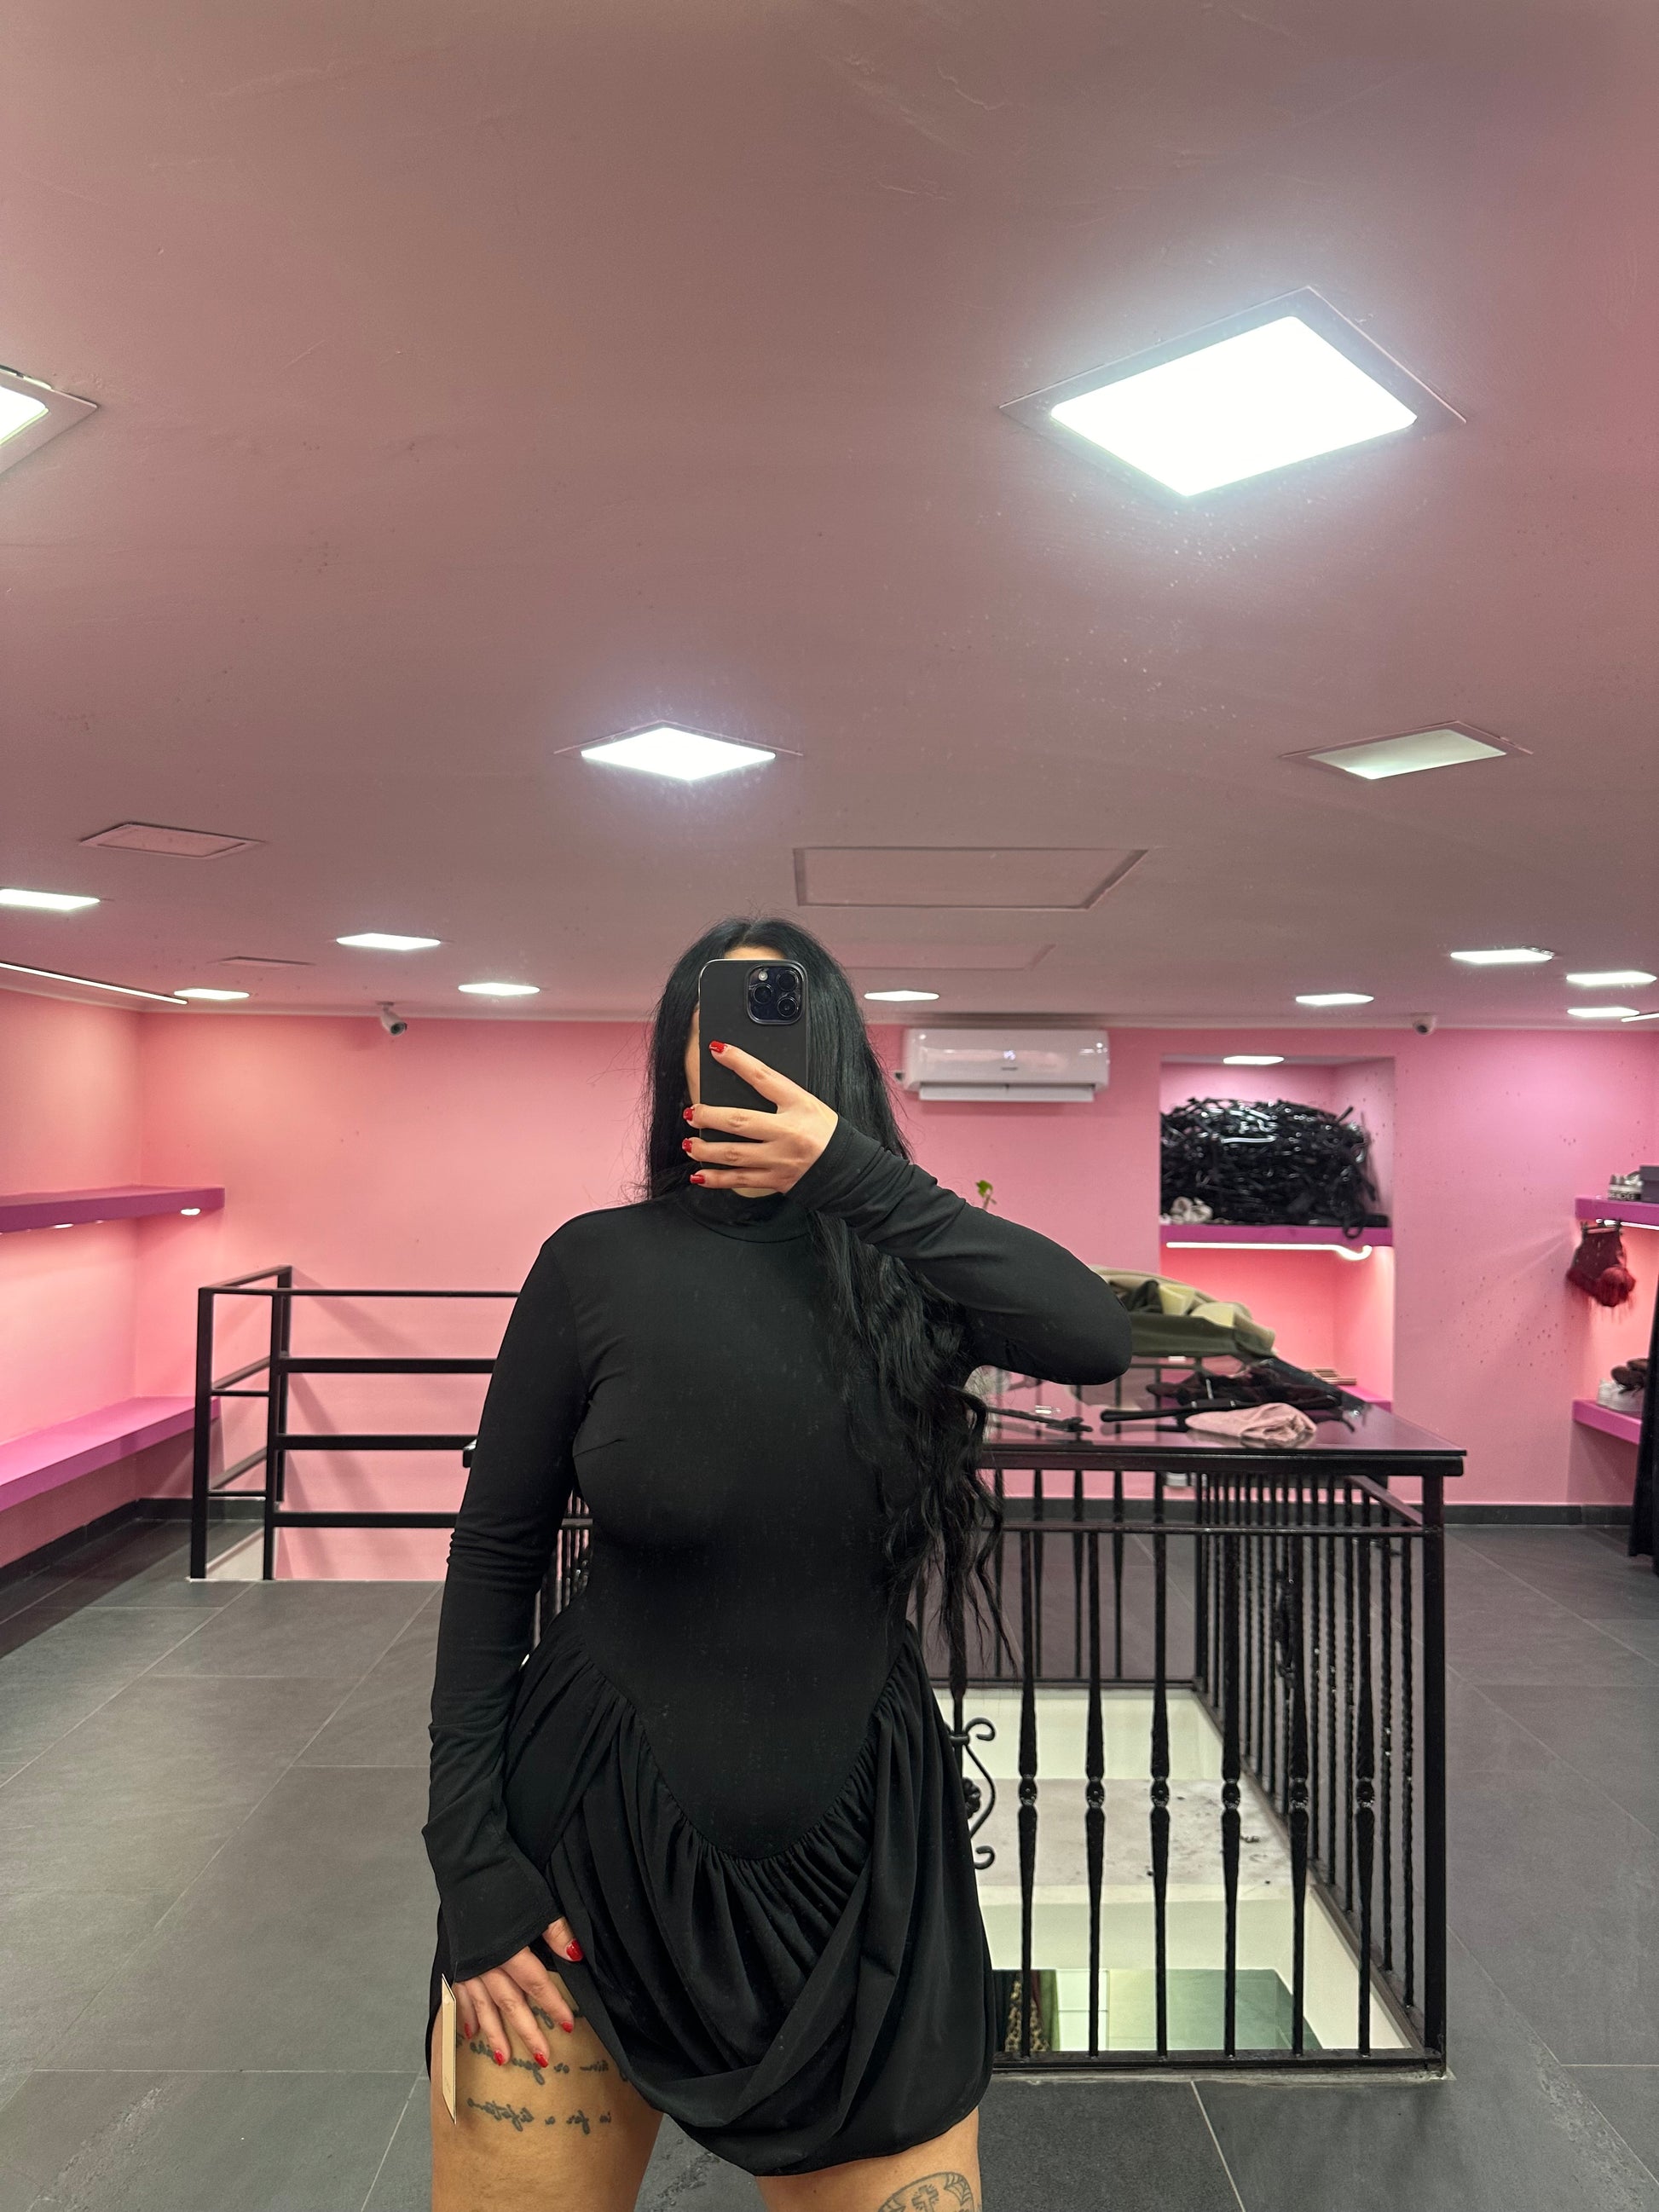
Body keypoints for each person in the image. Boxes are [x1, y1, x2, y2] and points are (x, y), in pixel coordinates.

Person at [423, 916, 1134, 2211]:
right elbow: (492, 1561)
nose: (744, 1066)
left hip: (864, 1867)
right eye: (715, 1035)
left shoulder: (910, 1274)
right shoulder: (596, 1265)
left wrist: (853, 1177)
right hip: (588, 1844)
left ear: (836, 1062)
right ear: (675, 1064)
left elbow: (1093, 1336)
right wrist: (468, 1861)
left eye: (779, 1033)